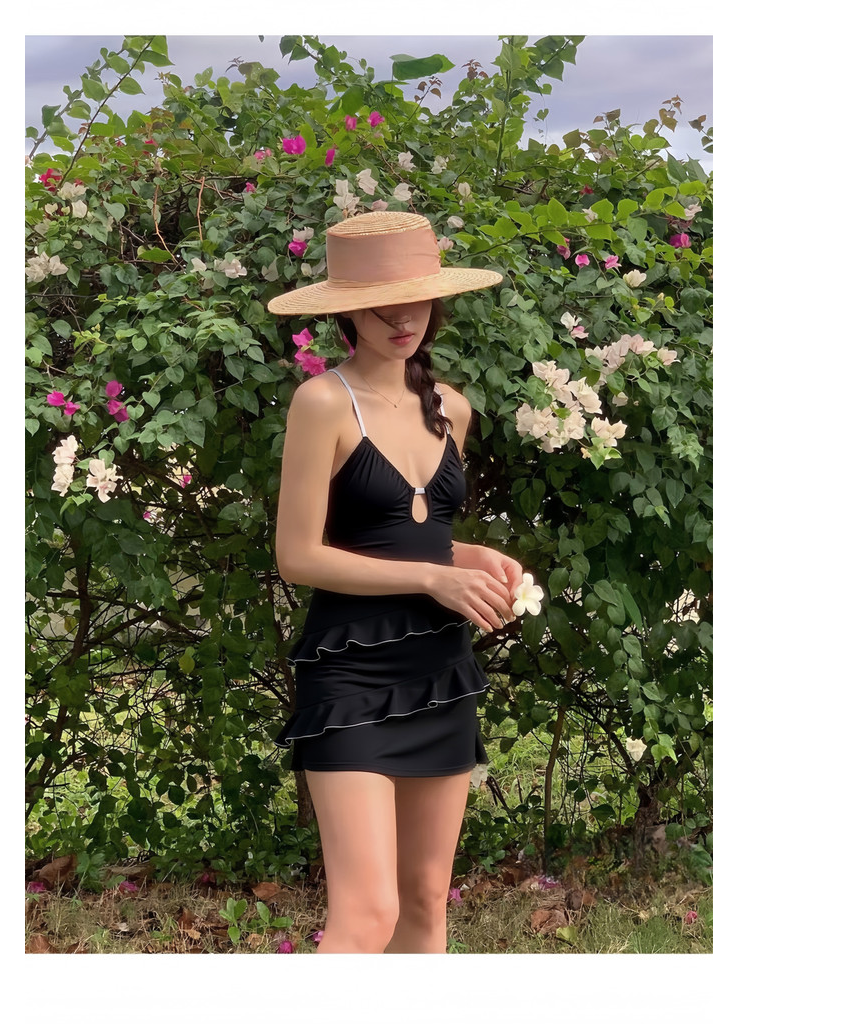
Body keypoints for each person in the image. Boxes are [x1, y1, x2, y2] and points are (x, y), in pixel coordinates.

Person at [268, 211, 525, 954]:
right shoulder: (323, 402)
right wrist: (433, 577)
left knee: (424, 904)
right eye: (382, 305)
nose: (403, 319)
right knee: (366, 915)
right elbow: (297, 557)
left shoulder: (452, 409)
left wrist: (474, 559)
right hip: (349, 676)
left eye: (416, 301)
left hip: (441, 673)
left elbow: (418, 536)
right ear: (346, 311)